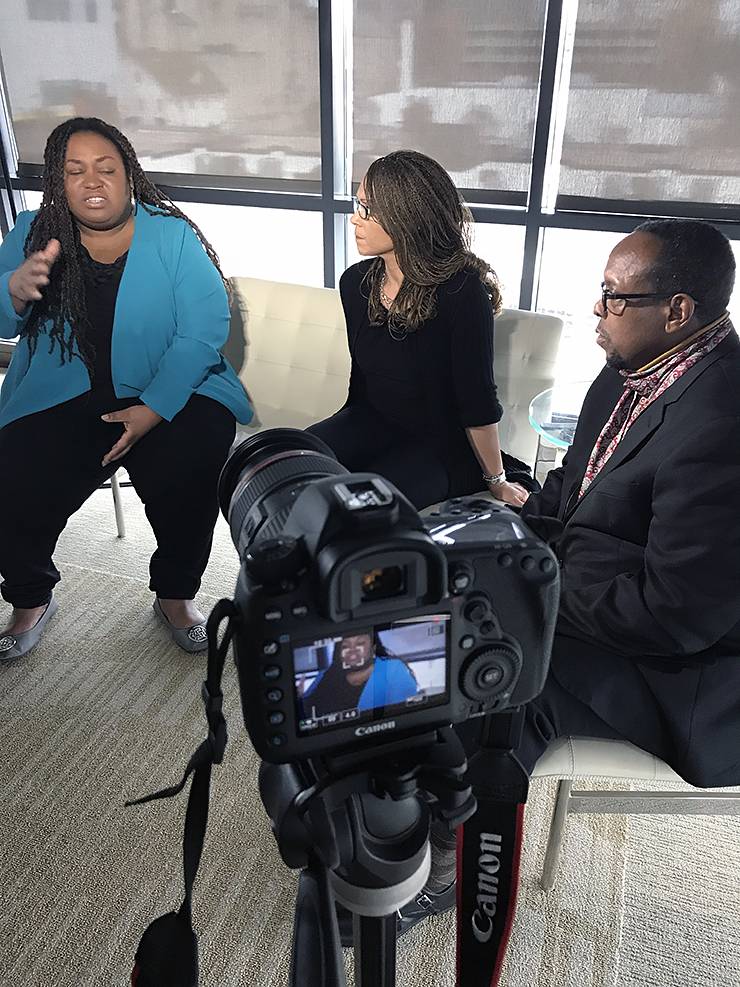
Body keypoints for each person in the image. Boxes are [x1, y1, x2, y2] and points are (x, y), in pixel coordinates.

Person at [402, 217, 740, 933]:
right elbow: (570, 492)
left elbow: (675, 614)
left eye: (615, 296)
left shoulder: (723, 425)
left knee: (485, 675)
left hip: (677, 668)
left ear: (678, 310)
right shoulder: (630, 372)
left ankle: (445, 867)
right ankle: (395, 785)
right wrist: (496, 534)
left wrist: (532, 586)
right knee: (436, 586)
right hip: (599, 593)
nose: (597, 308)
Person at [0, 117, 252, 660]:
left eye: (106, 168)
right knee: (12, 470)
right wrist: (14, 291)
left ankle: (175, 596)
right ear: (58, 183)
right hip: (64, 392)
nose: (92, 181)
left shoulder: (171, 235)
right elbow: (3, 319)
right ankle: (29, 600)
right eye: (75, 171)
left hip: (170, 388)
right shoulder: (31, 233)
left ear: (129, 174)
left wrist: (154, 409)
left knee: (198, 450)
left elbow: (204, 329)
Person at [307, 150, 537, 511]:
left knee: (364, 508)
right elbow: (362, 387)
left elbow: (477, 402)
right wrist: (339, 439)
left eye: (368, 209)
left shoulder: (462, 292)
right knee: (290, 460)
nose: (354, 219)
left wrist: (498, 481)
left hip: (440, 445)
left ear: (406, 217)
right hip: (372, 421)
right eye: (358, 203)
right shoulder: (355, 283)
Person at [301, 632, 418, 720]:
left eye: (360, 643)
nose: (352, 650)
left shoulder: (392, 669)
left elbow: (405, 715)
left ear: (374, 647)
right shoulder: (325, 674)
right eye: (345, 646)